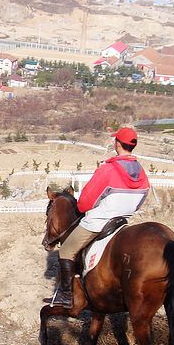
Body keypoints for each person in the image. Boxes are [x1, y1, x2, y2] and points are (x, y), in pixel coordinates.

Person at [50, 127, 150, 307]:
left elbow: (84, 203)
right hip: (122, 222)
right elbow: (143, 196)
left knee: (66, 250)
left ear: (117, 144)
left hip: (99, 222)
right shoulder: (141, 171)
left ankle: (65, 296)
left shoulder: (108, 169)